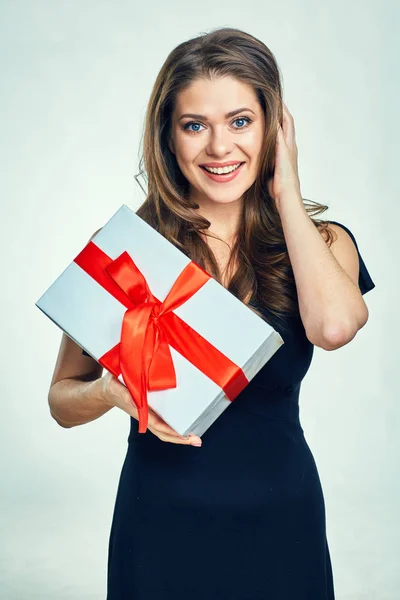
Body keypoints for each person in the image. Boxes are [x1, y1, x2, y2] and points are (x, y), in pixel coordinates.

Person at [48, 27, 375, 599]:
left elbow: (333, 327)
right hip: (158, 528)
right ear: (169, 138)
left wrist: (286, 191)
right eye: (195, 125)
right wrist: (111, 394)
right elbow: (62, 401)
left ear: (275, 127)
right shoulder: (127, 248)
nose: (220, 148)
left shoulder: (322, 243)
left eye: (241, 122)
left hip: (282, 526)